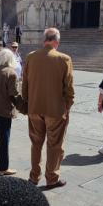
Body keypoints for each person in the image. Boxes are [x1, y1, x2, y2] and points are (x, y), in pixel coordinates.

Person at [22, 27, 75, 189]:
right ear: (56, 42)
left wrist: (27, 104)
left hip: (34, 108)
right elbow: (69, 89)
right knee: (55, 145)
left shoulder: (31, 57)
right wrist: (67, 106)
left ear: (44, 40)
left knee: (36, 143)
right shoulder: (64, 59)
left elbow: (25, 85)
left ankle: (34, 177)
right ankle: (52, 177)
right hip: (55, 110)